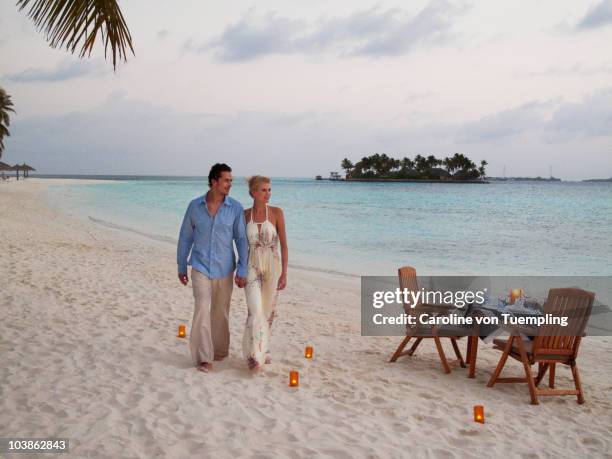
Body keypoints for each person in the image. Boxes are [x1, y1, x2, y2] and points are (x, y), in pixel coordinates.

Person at [177, 163, 248, 372]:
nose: (230, 184)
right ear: (214, 181)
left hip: (225, 269)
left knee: (220, 312)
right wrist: (181, 265)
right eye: (226, 180)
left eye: (231, 181)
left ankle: (219, 351)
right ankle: (204, 358)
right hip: (199, 266)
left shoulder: (235, 208)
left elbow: (241, 240)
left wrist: (242, 269)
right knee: (201, 308)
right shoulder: (194, 207)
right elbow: (185, 237)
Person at [242, 176, 288, 371]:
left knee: (268, 310)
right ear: (253, 192)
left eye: (269, 190)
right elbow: (240, 245)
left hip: (273, 265)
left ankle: (263, 349)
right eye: (263, 190)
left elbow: (284, 246)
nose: (267, 193)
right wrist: (239, 269)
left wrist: (284, 273)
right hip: (251, 265)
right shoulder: (244, 215)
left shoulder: (277, 213)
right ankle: (254, 354)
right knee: (255, 309)